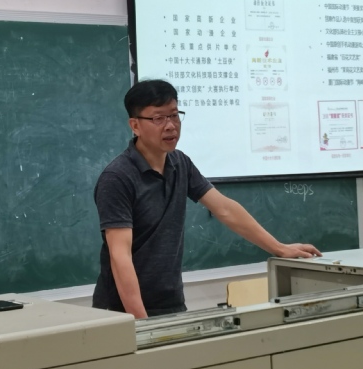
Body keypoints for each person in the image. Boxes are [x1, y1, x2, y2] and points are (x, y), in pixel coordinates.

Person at [93, 80, 321, 318]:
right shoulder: (118, 178)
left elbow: (225, 209)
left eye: (174, 115)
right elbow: (120, 256)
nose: (170, 126)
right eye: (158, 118)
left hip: (170, 303)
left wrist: (279, 248)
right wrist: (141, 322)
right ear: (135, 125)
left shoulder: (180, 163)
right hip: (120, 311)